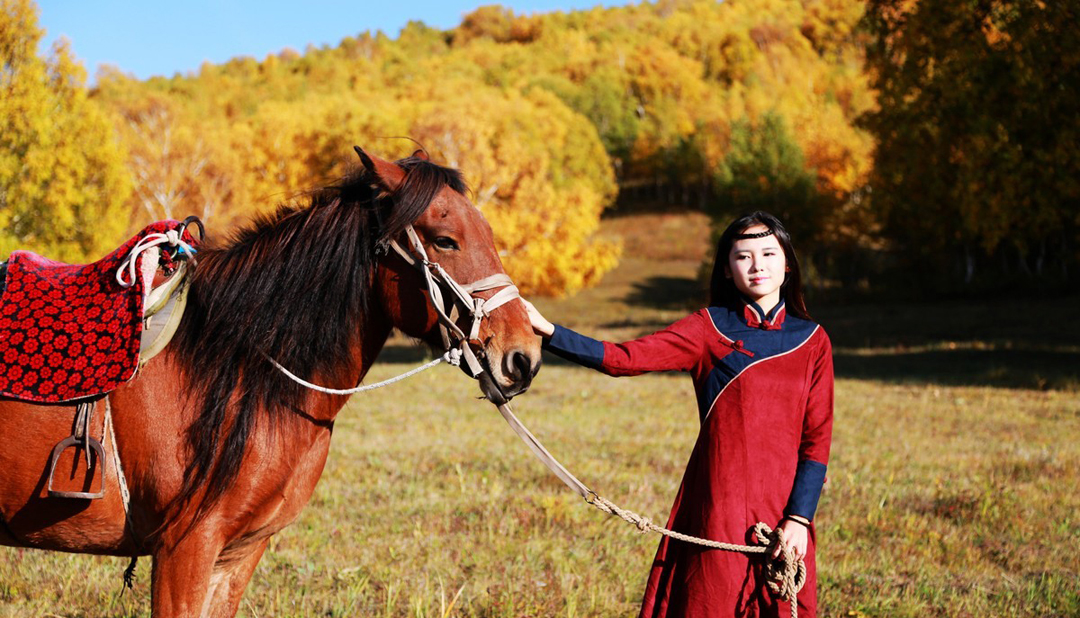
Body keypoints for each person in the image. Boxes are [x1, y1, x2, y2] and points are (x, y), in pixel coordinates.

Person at [522, 211, 833, 618]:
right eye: (743, 256)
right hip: (719, 505)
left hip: (785, 509)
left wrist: (798, 518)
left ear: (787, 263)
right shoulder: (708, 329)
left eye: (768, 253)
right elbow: (624, 358)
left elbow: (817, 440)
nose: (757, 266)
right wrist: (549, 331)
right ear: (725, 268)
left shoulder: (813, 340)